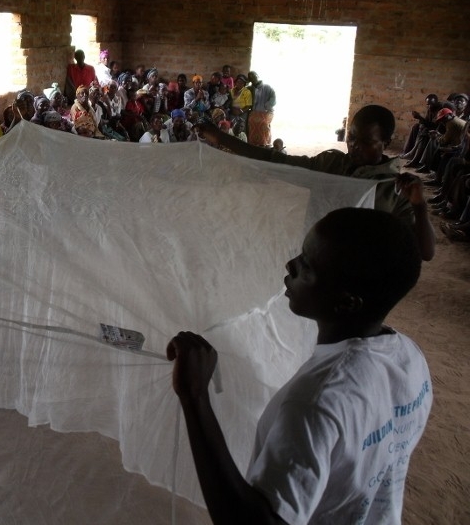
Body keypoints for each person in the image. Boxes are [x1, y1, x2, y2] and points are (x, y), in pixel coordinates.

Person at [167, 207, 430, 525]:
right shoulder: (409, 357)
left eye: (307, 265)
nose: (290, 265)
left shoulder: (316, 400)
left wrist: (195, 397)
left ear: (347, 302)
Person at [200, 105, 435, 260]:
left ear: (386, 142)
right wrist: (221, 138)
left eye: (366, 141)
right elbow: (275, 161)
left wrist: (419, 205)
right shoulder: (330, 164)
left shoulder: (395, 188)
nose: (354, 146)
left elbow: (425, 252)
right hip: (314, 257)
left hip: (356, 275)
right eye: (351, 137)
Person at [247, 71, 276, 147]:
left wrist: (267, 105)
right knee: (250, 121)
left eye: (254, 76)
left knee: (263, 123)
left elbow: (273, 98)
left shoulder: (267, 87)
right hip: (254, 111)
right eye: (250, 77)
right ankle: (252, 143)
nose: (253, 78)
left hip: (266, 112)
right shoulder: (249, 89)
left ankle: (264, 143)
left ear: (257, 76)